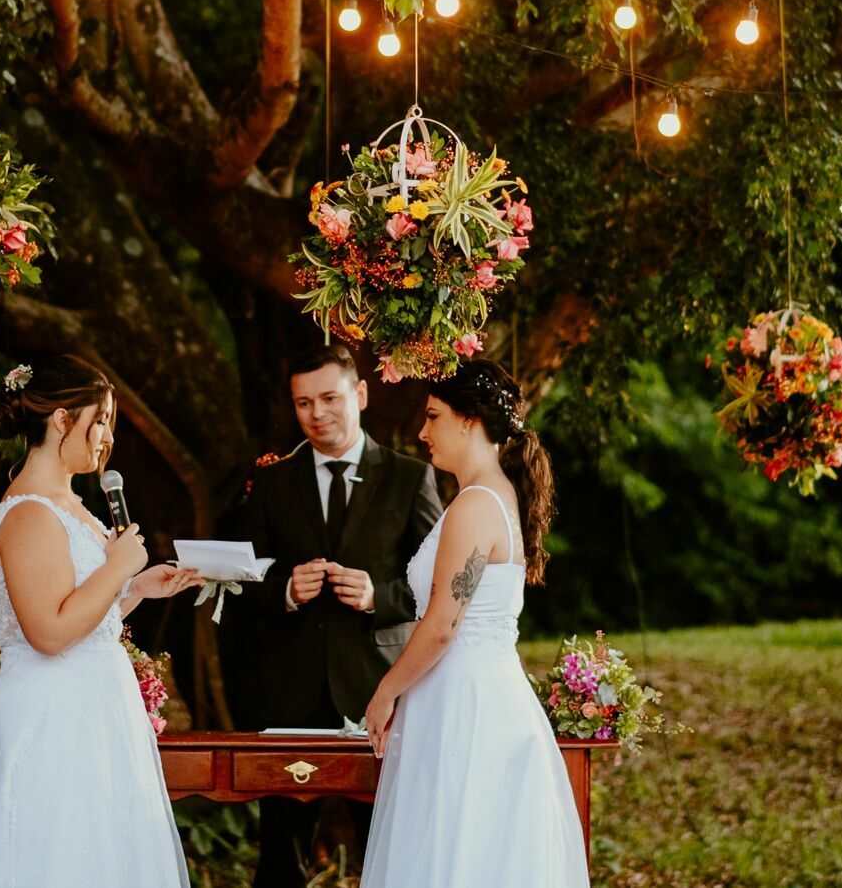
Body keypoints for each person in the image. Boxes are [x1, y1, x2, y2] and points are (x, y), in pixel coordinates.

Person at [0, 355, 203, 888]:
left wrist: (135, 589)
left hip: (94, 720)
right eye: (100, 420)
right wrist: (118, 565)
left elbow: (82, 624)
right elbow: (48, 634)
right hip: (48, 723)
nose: (106, 438)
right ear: (61, 420)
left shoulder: (71, 505)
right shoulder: (29, 513)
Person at [358, 358, 587, 888]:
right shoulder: (490, 497)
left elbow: (442, 624)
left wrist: (385, 693)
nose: (422, 431)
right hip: (473, 695)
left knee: (456, 850)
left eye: (433, 416)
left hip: (465, 704)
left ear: (468, 421)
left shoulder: (475, 505)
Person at [234, 343, 444, 888]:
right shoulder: (273, 481)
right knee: (280, 860)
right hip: (289, 693)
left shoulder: (408, 478)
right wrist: (284, 590)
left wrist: (380, 596)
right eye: (303, 403)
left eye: (329, 398)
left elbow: (446, 590)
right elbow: (241, 586)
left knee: (390, 849)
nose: (316, 414)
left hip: (380, 690)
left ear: (362, 394)